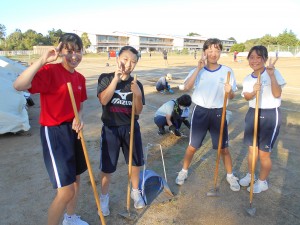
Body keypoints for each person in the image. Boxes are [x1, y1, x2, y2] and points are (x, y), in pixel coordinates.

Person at [13, 33, 89, 225]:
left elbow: (79, 106)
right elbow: (19, 85)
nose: (74, 55)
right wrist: (42, 60)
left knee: (76, 179)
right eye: (69, 50)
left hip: (73, 131)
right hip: (54, 132)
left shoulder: (80, 78)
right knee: (66, 191)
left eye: (78, 51)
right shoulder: (49, 71)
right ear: (60, 51)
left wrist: (79, 118)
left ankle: (70, 219)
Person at [175, 38, 240, 192]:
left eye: (217, 50)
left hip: (219, 111)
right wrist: (198, 68)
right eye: (210, 50)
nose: (213, 53)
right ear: (204, 52)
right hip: (200, 111)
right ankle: (183, 171)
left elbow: (232, 96)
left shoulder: (227, 71)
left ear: (220, 52)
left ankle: (230, 175)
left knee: (223, 148)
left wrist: (229, 91)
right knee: (192, 146)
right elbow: (186, 87)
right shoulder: (198, 70)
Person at [97, 46, 145, 216]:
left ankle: (136, 192)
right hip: (110, 129)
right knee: (107, 166)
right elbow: (104, 100)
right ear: (118, 58)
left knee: (135, 162)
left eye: (133, 61)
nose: (128, 64)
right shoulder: (105, 78)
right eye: (125, 59)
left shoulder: (136, 83)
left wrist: (137, 95)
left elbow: (138, 111)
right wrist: (115, 80)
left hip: (131, 128)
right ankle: (104, 198)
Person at [239, 46, 285, 193]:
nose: (255, 60)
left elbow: (277, 94)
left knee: (264, 153)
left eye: (259, 57)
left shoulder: (273, 72)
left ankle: (262, 181)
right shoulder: (248, 78)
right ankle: (250, 175)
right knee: (252, 150)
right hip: (253, 112)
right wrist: (254, 91)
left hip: (270, 114)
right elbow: (246, 96)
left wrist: (271, 76)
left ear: (264, 59)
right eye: (252, 57)